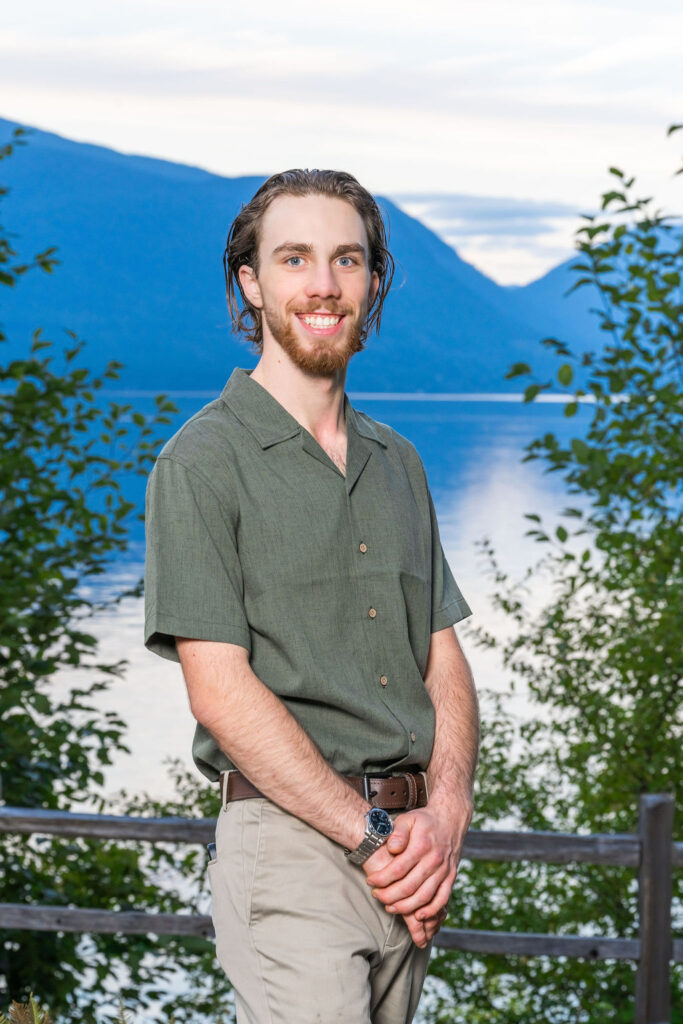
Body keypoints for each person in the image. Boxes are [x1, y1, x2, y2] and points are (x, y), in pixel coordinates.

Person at [143, 168, 479, 1024]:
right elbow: (219, 690)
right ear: (250, 283)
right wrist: (370, 835)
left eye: (347, 260)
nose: (323, 285)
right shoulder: (200, 463)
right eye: (293, 259)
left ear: (372, 285)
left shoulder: (397, 460)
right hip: (291, 847)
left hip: (408, 856)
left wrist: (444, 815)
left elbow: (441, 656)